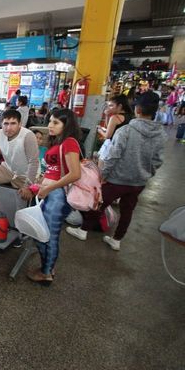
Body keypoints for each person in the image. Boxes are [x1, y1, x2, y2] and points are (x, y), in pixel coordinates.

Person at [66, 95, 167, 251]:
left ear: (137, 109)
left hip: (116, 179)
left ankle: (83, 230)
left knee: (98, 205)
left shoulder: (126, 130)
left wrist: (103, 175)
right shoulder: (161, 134)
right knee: (128, 210)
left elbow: (113, 156)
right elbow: (158, 160)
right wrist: (147, 173)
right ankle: (117, 239)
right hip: (139, 182)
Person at [28, 109, 82, 285]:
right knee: (41, 233)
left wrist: (49, 187)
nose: (50, 125)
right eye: (50, 121)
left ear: (67, 125)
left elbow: (75, 174)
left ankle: (46, 273)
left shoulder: (69, 143)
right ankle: (47, 267)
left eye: (56, 123)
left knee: (48, 236)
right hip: (51, 192)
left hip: (57, 196)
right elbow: (56, 169)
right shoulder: (60, 141)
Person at [0, 110, 39, 199]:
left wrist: (27, 186)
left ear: (20, 124)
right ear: (1, 124)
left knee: (24, 197)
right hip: (7, 169)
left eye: (13, 123)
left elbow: (34, 162)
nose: (9, 128)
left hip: (26, 175)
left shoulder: (28, 136)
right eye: (6, 123)